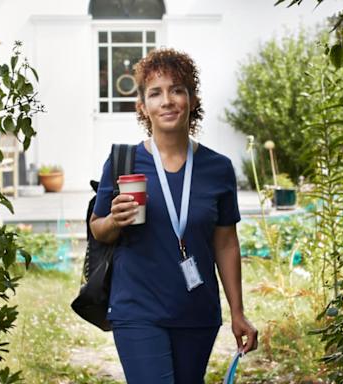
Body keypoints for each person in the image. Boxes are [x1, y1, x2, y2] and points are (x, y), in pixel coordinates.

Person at [89, 48, 259, 383]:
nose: (167, 100)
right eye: (155, 93)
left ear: (192, 100)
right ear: (143, 107)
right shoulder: (122, 162)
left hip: (197, 313)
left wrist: (237, 312)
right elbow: (99, 231)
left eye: (177, 90)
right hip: (137, 309)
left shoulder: (218, 168)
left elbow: (225, 243)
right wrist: (114, 220)